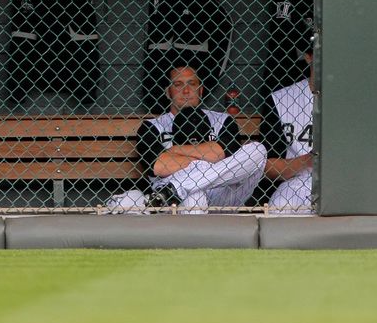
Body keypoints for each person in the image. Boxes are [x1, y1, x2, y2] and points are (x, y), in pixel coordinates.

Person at [106, 64, 266, 214]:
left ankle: (175, 188)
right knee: (194, 195)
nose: (186, 90)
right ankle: (180, 195)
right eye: (178, 85)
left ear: (201, 90)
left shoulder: (223, 120)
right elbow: (160, 166)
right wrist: (206, 157)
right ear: (168, 92)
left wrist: (175, 151)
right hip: (177, 202)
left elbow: (224, 154)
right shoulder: (152, 126)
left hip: (222, 192)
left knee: (258, 150)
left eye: (192, 84)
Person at [260, 49, 315, 215]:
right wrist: (309, 159)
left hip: (352, 180)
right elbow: (268, 166)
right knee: (280, 205)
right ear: (308, 57)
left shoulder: (359, 98)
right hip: (300, 182)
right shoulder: (283, 99)